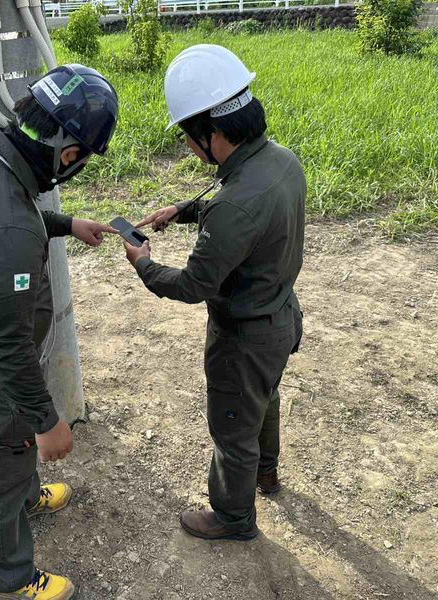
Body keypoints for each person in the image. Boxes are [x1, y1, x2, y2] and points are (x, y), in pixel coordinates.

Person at [0, 65, 118, 600]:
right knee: (0, 473)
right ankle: (12, 578)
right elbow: (8, 348)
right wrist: (48, 422)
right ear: (68, 153)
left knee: (14, 455)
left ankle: (27, 495)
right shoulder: (6, 232)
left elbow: (10, 215)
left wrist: (66, 223)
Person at [124, 45, 305, 541]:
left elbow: (192, 284)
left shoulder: (233, 205)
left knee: (231, 427)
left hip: (242, 337)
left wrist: (144, 264)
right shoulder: (282, 162)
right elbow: (246, 216)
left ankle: (232, 517)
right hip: (280, 316)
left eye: (189, 137)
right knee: (263, 400)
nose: (188, 146)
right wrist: (182, 210)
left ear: (216, 134)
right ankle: (266, 473)